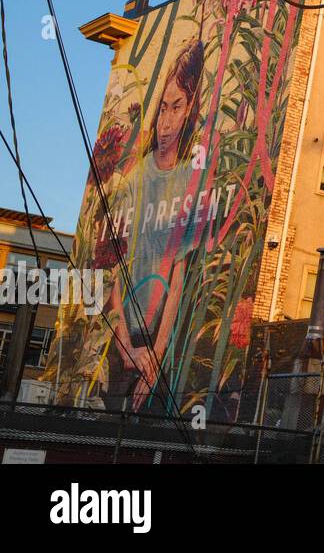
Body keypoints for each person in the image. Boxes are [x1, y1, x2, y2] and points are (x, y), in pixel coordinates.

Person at [102, 37, 206, 412]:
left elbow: (177, 282)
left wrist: (155, 355)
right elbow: (114, 273)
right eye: (162, 107)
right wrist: (127, 347)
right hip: (120, 342)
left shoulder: (193, 179)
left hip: (159, 349)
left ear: (190, 108)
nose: (165, 121)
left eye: (176, 107)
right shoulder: (134, 179)